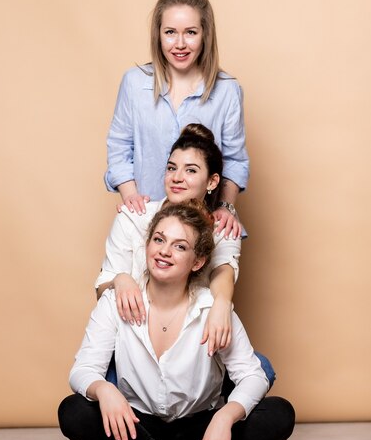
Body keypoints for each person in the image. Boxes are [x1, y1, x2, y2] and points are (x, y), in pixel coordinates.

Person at [58, 201, 295, 440]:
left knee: (280, 413)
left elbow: (253, 375)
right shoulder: (114, 302)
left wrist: (225, 416)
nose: (164, 251)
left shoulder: (212, 309)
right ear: (147, 245)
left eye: (180, 246)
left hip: (200, 428)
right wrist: (104, 390)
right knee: (73, 410)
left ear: (197, 262)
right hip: (138, 427)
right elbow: (82, 369)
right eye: (159, 239)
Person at [98, 123, 275, 384]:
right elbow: (102, 292)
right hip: (135, 344)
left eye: (190, 170)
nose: (177, 177)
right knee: (94, 393)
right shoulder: (134, 216)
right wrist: (120, 279)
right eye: (171, 168)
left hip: (193, 351)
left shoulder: (223, 225)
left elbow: (223, 269)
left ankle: (205, 416)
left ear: (213, 181)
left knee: (262, 370)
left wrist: (222, 304)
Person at [105, 0, 248, 240]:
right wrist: (132, 200)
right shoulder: (134, 84)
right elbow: (119, 146)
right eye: (170, 32)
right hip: (144, 223)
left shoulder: (227, 90)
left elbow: (235, 161)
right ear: (158, 35)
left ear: (205, 35)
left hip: (203, 227)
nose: (180, 44)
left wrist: (226, 206)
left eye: (190, 32)